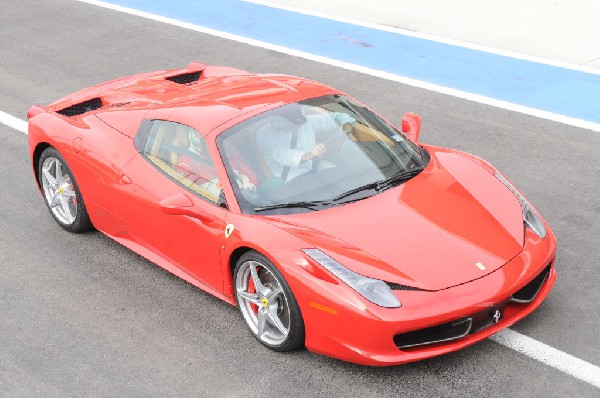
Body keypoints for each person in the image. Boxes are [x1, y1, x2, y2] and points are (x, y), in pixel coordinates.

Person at [256, 105, 356, 182]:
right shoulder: (264, 134)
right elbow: (279, 154)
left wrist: (346, 125)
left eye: (298, 125)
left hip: (313, 168)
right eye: (292, 126)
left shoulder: (305, 122)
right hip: (290, 179)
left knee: (344, 177)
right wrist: (308, 155)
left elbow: (333, 118)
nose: (298, 128)